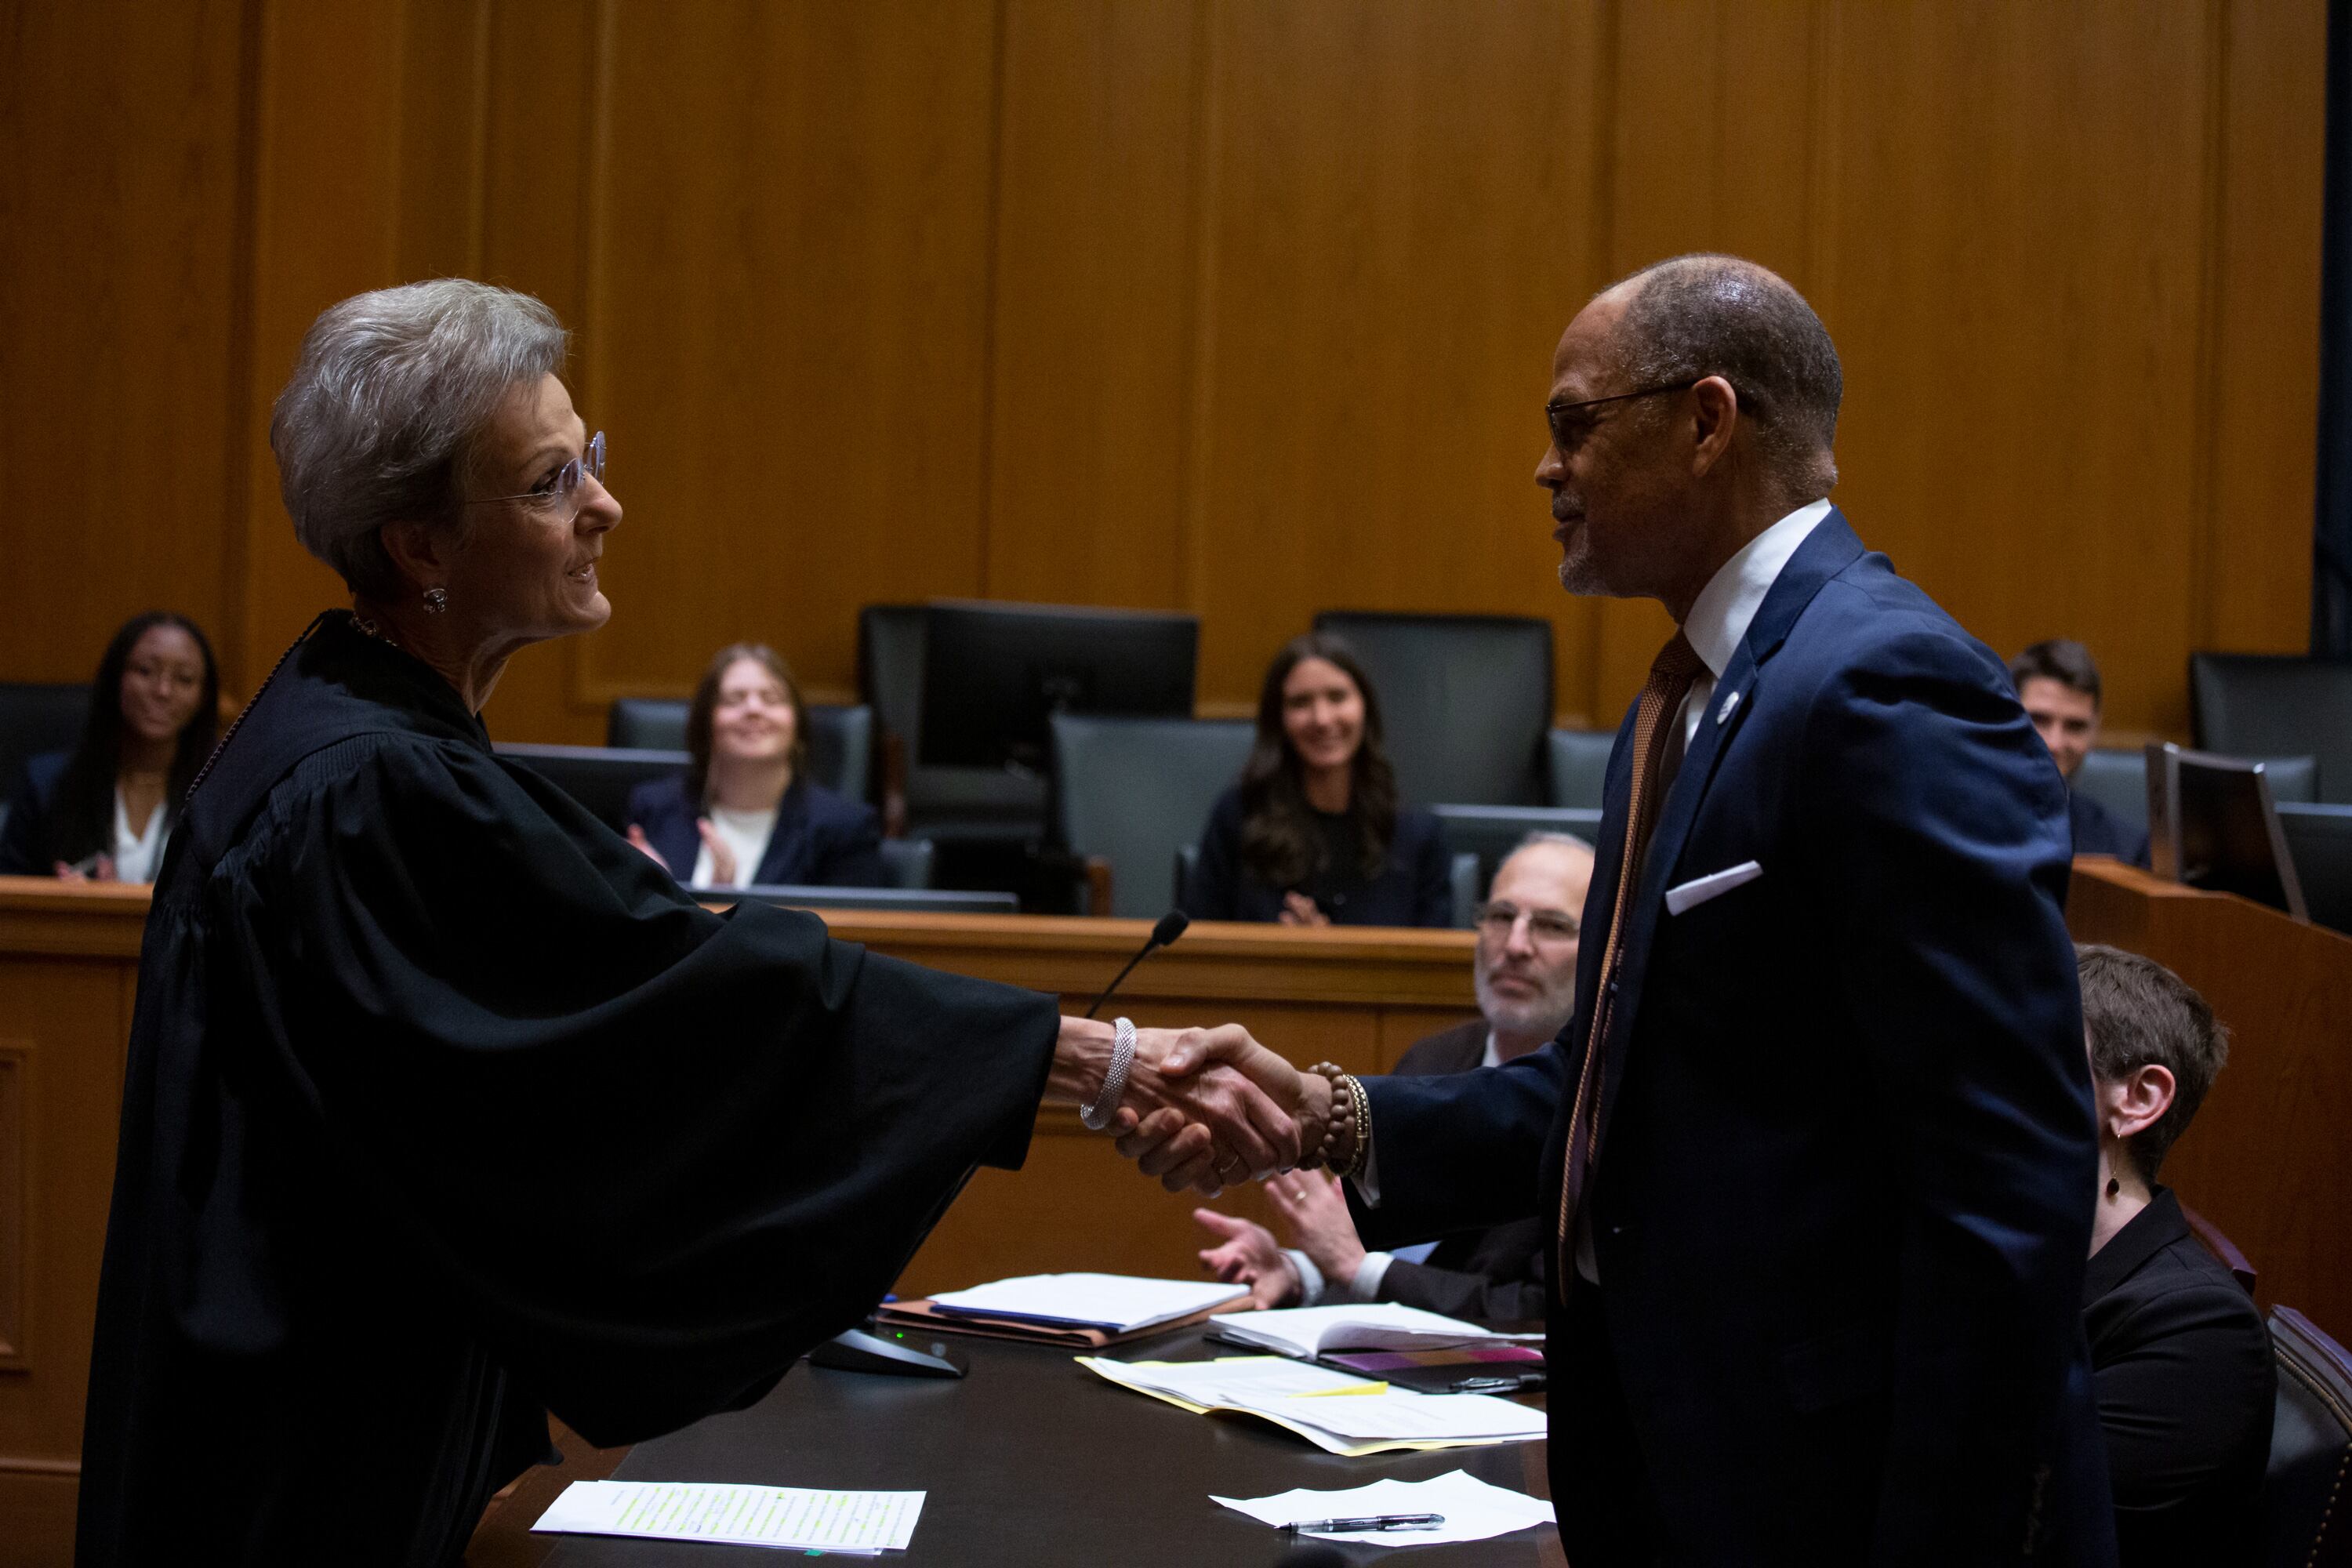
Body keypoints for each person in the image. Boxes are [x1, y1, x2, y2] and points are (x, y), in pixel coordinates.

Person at [75, 280, 1298, 1568]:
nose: (605, 503)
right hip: (301, 1475)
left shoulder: (345, 729)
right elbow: (684, 1004)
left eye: (588, 456)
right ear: (422, 547)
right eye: (551, 482)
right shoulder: (371, 788)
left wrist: (1081, 1068)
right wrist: (1102, 1066)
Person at [1129, 254, 2111, 1563]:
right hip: (1674, 1465)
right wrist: (1328, 1115)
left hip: (1833, 1492)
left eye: (1574, 423)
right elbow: (1626, 1081)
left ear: (1708, 423)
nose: (1548, 468)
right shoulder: (1687, 699)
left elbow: (2008, 1173)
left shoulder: (1883, 684)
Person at [1194, 833, 1592, 1318]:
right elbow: (1395, 1249)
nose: (1514, 945)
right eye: (1501, 916)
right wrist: (1301, 1270)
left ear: (1603, 947)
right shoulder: (1437, 1057)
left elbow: (1539, 1312)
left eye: (1551, 926)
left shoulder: (1595, 1104)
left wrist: (1356, 1268)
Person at [2075, 943, 2272, 1564]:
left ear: (2137, 1099)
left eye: (2019, 1053)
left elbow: (1996, 1523)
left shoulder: (2201, 1336)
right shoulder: (2010, 1259)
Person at [1182, 633, 1451, 927]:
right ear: (1279, 720)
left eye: (1337, 697)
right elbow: (1200, 942)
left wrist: (1329, 954)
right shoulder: (1238, 818)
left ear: (1365, 709)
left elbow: (1433, 966)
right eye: (1300, 703)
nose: (1322, 719)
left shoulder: (1418, 836)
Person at [624, 642, 883, 889]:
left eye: (771, 699)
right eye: (734, 700)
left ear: (797, 726)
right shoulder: (652, 809)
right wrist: (657, 896)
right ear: (706, 723)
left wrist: (723, 911)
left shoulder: (845, 829)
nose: (753, 709)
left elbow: (845, 931)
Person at [0, 612, 219, 882]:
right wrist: (60, 899)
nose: (163, 691)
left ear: (203, 696)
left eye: (184, 679)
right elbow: (12, 899)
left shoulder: (226, 794)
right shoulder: (46, 785)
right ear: (116, 679)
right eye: (145, 671)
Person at [2013, 637, 2149, 866]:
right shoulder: (1956, 823)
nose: (2054, 743)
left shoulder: (2128, 850)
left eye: (2075, 726)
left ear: (2094, 731)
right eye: (2039, 719)